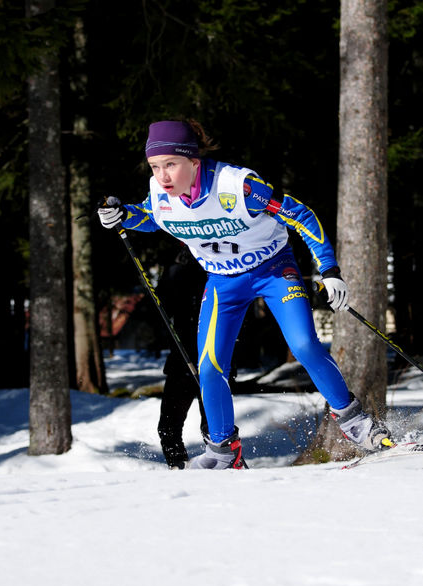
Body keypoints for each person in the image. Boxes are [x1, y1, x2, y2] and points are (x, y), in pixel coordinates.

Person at [98, 119, 393, 469]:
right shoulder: (163, 194)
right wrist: (122, 216)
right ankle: (224, 452)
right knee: (208, 367)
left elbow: (300, 214)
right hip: (224, 282)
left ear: (194, 161)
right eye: (155, 166)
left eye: (171, 165)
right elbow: (152, 216)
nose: (163, 176)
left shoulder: (239, 187)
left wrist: (329, 271)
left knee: (304, 345)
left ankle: (357, 424)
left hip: (273, 270)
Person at [155, 245, 208, 469]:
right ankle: (178, 466)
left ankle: (224, 462)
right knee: (168, 426)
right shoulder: (176, 266)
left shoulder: (215, 261)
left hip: (212, 357)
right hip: (181, 356)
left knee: (214, 426)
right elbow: (162, 305)